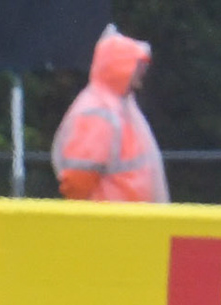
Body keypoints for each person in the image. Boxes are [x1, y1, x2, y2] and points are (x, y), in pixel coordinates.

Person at [52, 26, 169, 204]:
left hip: (124, 223)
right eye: (137, 65)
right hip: (108, 224)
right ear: (121, 66)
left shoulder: (118, 106)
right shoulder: (98, 111)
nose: (141, 73)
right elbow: (78, 179)